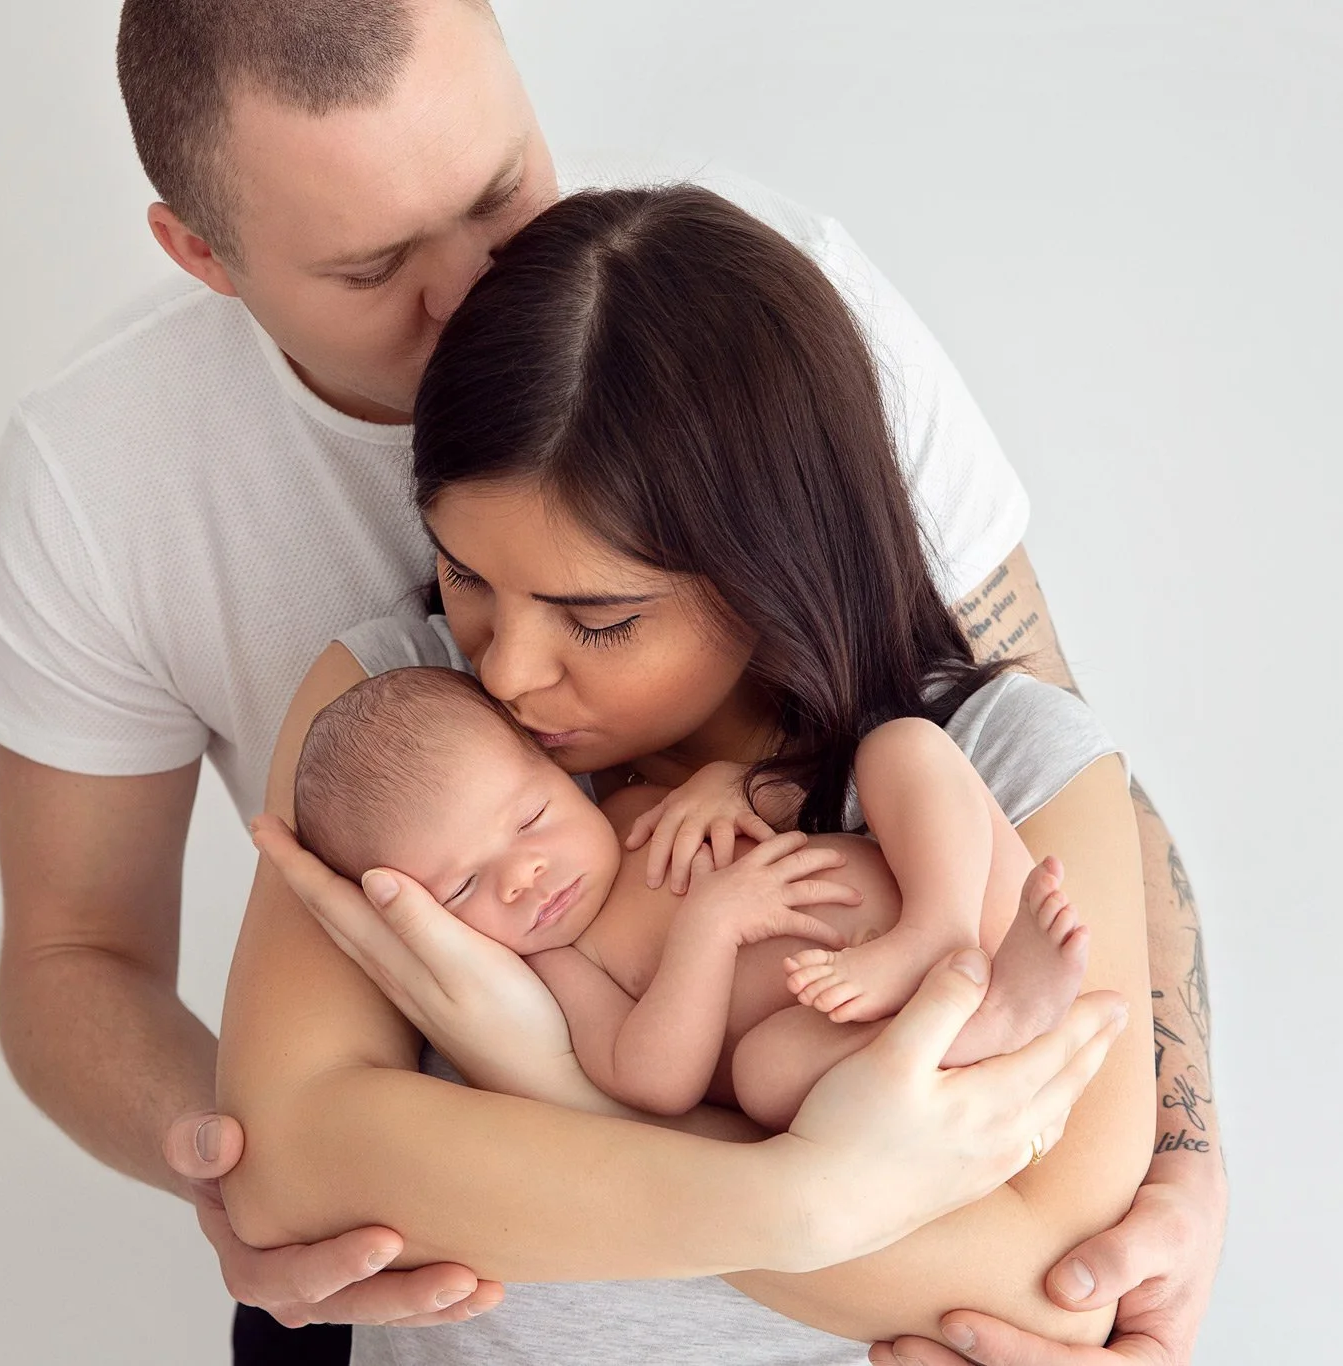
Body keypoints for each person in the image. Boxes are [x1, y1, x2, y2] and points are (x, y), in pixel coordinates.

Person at [0, 0, 1226, 1360]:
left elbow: (1045, 745)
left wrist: (1188, 1144)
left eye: (500, 193)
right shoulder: (378, 665)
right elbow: (226, 1084)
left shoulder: (757, 314)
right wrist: (796, 1193)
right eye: (376, 263)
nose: (473, 296)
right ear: (201, 251)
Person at [223, 183, 1154, 1359]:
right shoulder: (400, 718)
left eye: (597, 620)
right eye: (464, 575)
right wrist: (800, 1200)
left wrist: (554, 1096)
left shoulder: (1011, 756)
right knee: (772, 1070)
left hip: (938, 946)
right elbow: (292, 1166)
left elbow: (1050, 1293)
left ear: (766, 566)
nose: (505, 673)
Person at [289, 664, 1097, 1129]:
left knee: (903, 748)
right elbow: (654, 1082)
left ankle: (937, 933)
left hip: (954, 906)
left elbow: (815, 799)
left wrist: (741, 788)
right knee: (764, 1073)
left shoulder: (640, 815)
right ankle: (990, 1022)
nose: (522, 875)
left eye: (531, 818)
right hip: (864, 1047)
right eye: (461, 887)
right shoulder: (559, 964)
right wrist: (706, 931)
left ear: (561, 774)